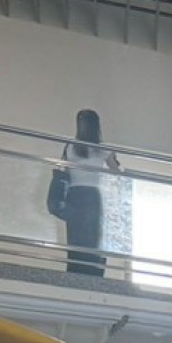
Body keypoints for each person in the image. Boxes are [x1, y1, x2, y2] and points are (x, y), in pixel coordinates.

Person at [61, 109, 119, 277]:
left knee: (75, 236)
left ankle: (75, 270)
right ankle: (93, 271)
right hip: (92, 194)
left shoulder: (70, 146)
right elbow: (115, 171)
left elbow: (64, 169)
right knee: (93, 235)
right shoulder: (102, 149)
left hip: (74, 193)